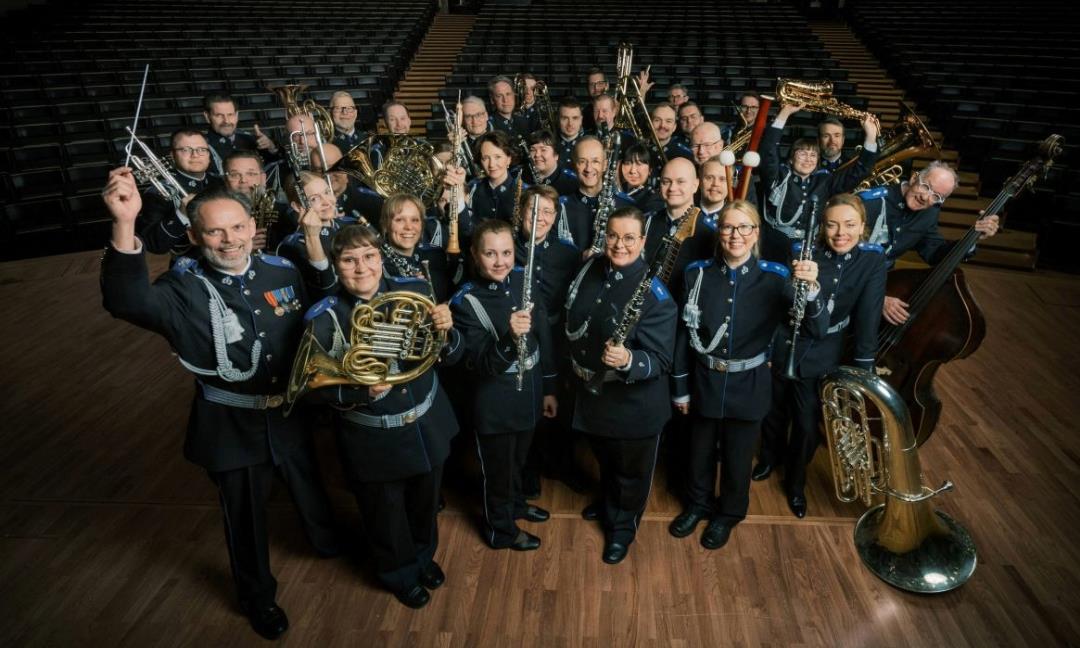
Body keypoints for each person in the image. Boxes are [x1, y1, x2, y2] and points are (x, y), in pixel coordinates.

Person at [100, 174, 341, 640]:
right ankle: (257, 597)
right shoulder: (182, 288)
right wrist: (125, 223)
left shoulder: (281, 271)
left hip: (289, 412)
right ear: (194, 236)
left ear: (252, 227)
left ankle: (327, 542)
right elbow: (126, 301)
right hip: (231, 423)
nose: (229, 240)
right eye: (214, 231)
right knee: (245, 517)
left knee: (309, 485)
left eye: (236, 228)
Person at [299, 223, 461, 610]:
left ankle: (422, 557)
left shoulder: (416, 291)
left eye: (369, 256)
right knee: (385, 515)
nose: (362, 268)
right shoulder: (325, 317)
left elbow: (450, 355)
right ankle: (399, 573)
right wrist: (361, 391)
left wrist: (448, 331)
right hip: (372, 437)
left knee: (425, 504)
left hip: (425, 424)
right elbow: (312, 391)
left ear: (381, 257)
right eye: (349, 260)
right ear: (335, 265)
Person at [670, 200, 826, 549]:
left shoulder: (777, 277)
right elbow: (683, 334)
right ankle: (697, 505)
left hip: (751, 382)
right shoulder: (696, 274)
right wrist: (680, 387)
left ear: (756, 234)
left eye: (744, 227)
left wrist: (812, 289)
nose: (735, 235)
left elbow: (815, 329)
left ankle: (729, 514)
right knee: (698, 451)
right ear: (718, 232)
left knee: (738, 458)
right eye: (728, 227)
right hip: (705, 378)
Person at [754, 194, 887, 517]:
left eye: (850, 225)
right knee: (773, 410)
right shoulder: (801, 251)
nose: (841, 233)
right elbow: (781, 300)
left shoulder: (872, 260)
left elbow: (868, 317)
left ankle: (796, 481)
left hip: (825, 348)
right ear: (822, 227)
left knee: (806, 422)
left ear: (863, 226)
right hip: (787, 338)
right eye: (832, 225)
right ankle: (769, 458)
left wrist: (864, 369)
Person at [565, 206, 677, 564]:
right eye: (613, 236)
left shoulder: (656, 296)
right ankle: (609, 504)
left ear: (643, 242)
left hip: (633, 405)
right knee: (607, 460)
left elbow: (661, 361)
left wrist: (629, 359)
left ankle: (622, 528)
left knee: (630, 474)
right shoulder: (591, 268)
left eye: (629, 238)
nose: (619, 245)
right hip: (595, 397)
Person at [451, 219, 557, 550]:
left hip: (530, 391)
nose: (500, 262)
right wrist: (510, 339)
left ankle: (516, 506)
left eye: (507, 252)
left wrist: (549, 388)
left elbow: (543, 335)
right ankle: (501, 531)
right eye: (490, 254)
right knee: (498, 471)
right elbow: (484, 365)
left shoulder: (524, 279)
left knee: (518, 462)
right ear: (474, 254)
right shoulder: (464, 302)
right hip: (494, 401)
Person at [857, 160, 1000, 324]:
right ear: (913, 178)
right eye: (925, 186)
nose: (925, 197)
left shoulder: (929, 213)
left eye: (936, 196)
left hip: (882, 281)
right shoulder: (869, 202)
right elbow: (839, 260)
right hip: (848, 282)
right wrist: (877, 299)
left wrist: (973, 237)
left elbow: (934, 253)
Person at [757, 102, 880, 264]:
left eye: (813, 155)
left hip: (809, 248)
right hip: (773, 246)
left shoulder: (824, 181)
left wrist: (871, 136)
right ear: (791, 158)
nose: (808, 159)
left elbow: (860, 171)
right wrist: (784, 114)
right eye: (802, 154)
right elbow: (768, 152)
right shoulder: (778, 176)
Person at [137, 128, 220, 256]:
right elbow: (154, 244)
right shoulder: (158, 192)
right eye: (186, 150)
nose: (195, 155)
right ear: (172, 155)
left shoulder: (221, 183)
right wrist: (181, 215)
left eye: (202, 149)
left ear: (209, 155)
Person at [558, 135, 634, 251]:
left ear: (605, 165)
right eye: (582, 161)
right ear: (574, 165)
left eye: (595, 161)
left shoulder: (627, 207)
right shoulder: (560, 207)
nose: (588, 168)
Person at [378, 193, 452, 302]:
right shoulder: (376, 266)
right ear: (385, 224)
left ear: (422, 224)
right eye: (399, 220)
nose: (408, 227)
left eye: (415, 220)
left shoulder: (436, 258)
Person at [222, 150, 293, 252]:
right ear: (225, 180)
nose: (243, 180)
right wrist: (240, 248)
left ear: (263, 179)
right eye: (235, 175)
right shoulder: (215, 216)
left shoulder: (285, 214)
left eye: (251, 174)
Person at [462, 130, 522, 238]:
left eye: (497, 157)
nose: (491, 164)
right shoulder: (472, 188)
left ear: (509, 159)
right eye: (485, 158)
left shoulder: (523, 192)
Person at [202, 93, 259, 176]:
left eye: (230, 115)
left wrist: (272, 148)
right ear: (207, 117)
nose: (226, 121)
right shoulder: (201, 147)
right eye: (219, 115)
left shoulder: (250, 139)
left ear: (237, 115)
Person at [523, 129, 579, 195]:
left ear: (556, 155)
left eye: (543, 150)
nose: (537, 154)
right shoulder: (521, 177)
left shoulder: (571, 183)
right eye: (533, 150)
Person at [618, 142, 663, 213]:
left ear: (650, 170)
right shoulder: (617, 190)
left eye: (639, 164)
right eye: (628, 163)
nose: (633, 171)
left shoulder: (654, 199)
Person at [648, 102, 693, 172]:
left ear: (674, 127)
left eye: (668, 121)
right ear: (649, 124)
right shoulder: (638, 151)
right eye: (657, 120)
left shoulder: (685, 154)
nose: (662, 125)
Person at [489, 75, 528, 141]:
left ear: (514, 95)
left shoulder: (523, 121)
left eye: (508, 94)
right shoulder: (489, 125)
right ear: (492, 100)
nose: (505, 100)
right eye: (499, 96)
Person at [555, 97, 587, 168]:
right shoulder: (550, 144)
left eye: (575, 118)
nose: (570, 124)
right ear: (557, 119)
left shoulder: (589, 145)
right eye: (565, 118)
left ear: (581, 120)